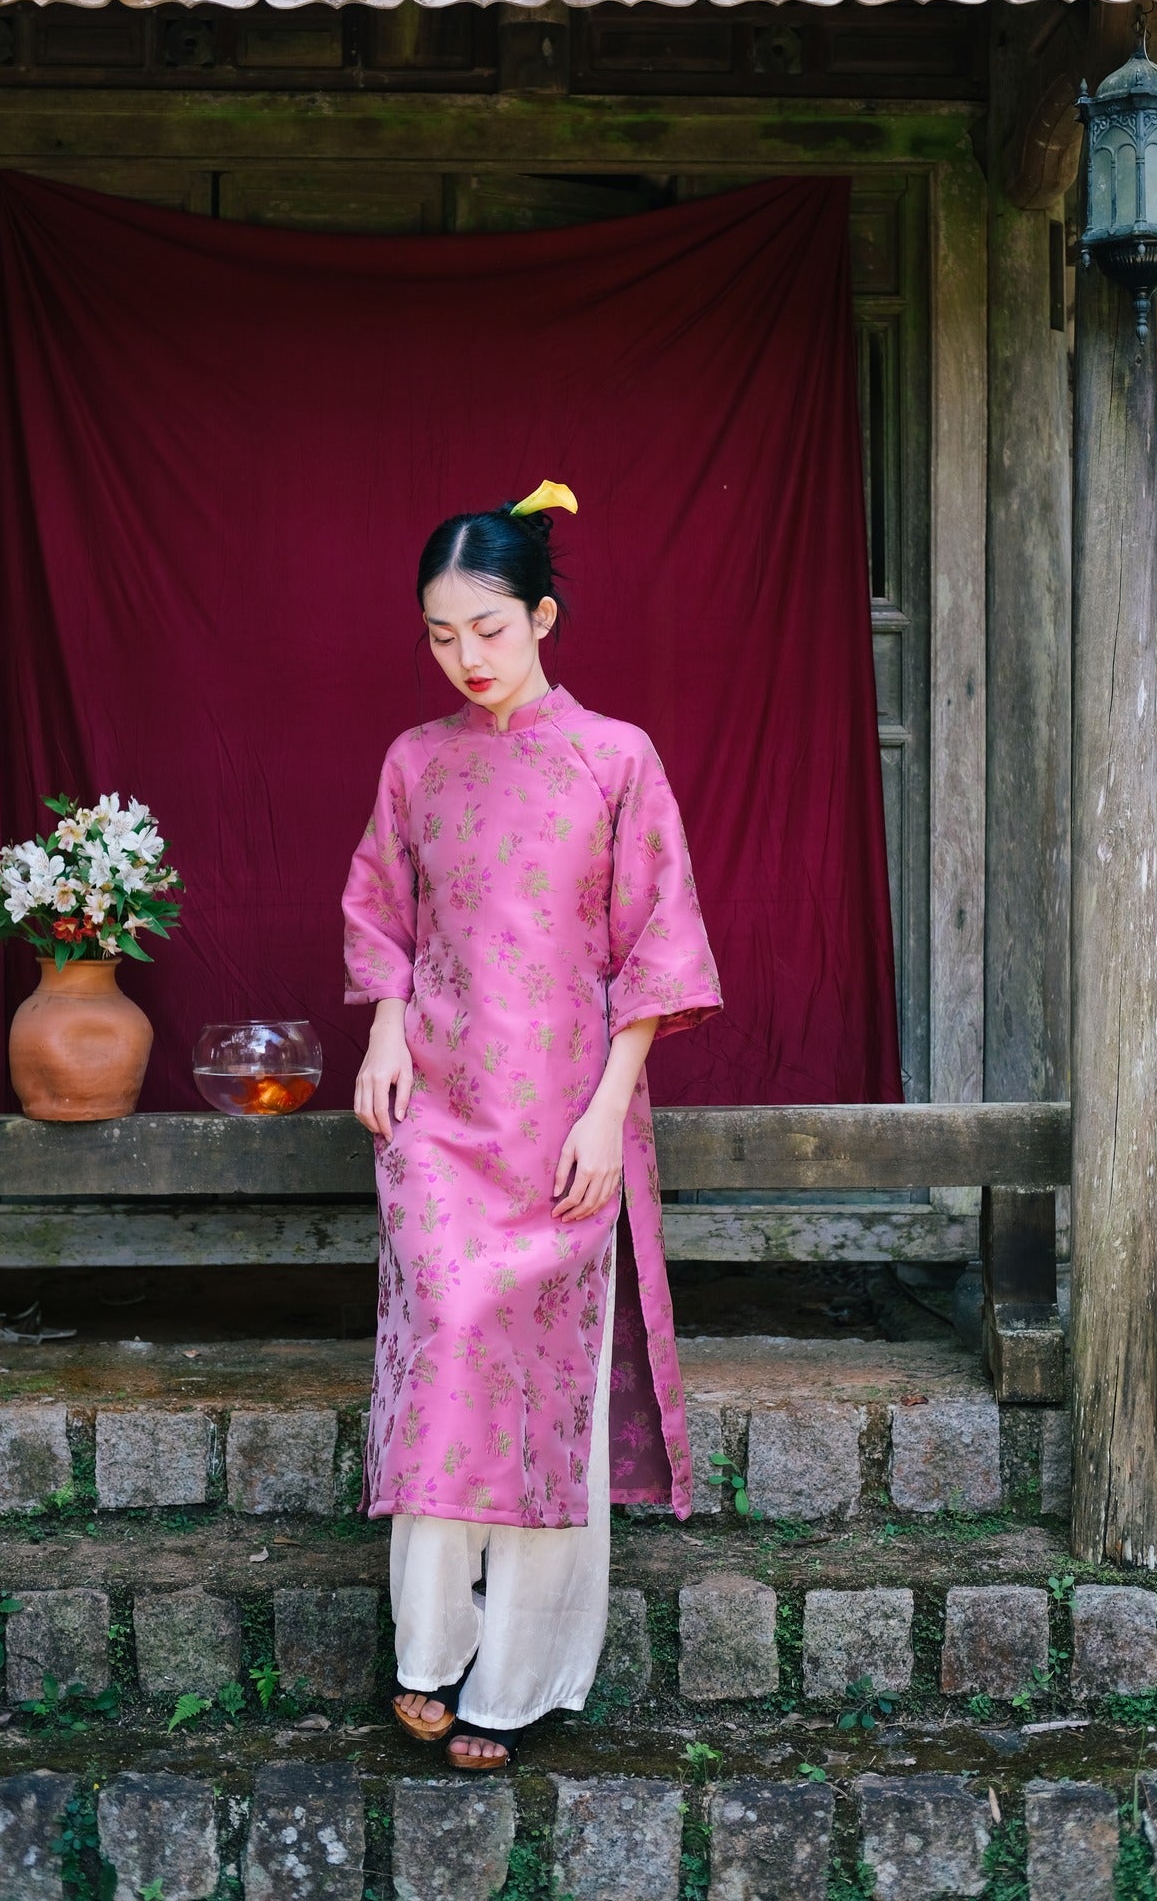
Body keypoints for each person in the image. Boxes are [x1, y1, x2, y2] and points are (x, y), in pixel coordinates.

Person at [341, 481, 722, 1770]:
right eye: (443, 635)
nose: (468, 659)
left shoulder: (615, 759)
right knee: (449, 1350)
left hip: (567, 1118)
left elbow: (654, 956)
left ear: (544, 616)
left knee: (548, 1387)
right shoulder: (413, 763)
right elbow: (382, 914)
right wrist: (386, 1025)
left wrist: (611, 1116)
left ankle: (516, 1679)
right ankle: (427, 1652)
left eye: (491, 630)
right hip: (441, 1116)